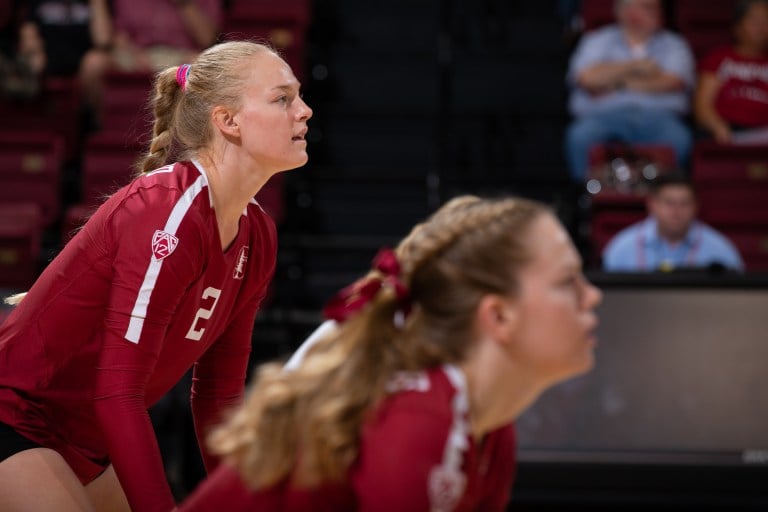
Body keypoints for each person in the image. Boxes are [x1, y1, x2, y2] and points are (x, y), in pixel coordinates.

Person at [0, 40, 312, 512]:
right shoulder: (167, 212)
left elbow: (217, 395)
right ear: (228, 121)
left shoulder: (258, 235)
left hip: (86, 436)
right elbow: (117, 392)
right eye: (282, 98)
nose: (304, 111)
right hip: (16, 416)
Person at [178, 194, 603, 511]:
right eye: (568, 282)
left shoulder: (490, 429)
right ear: (498, 316)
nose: (593, 297)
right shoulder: (417, 415)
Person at [565, 0, 695, 182]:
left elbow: (672, 82)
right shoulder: (597, 40)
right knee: (580, 136)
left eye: (652, 7)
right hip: (603, 115)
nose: (652, 12)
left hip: (658, 117)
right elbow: (587, 79)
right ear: (623, 11)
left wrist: (615, 82)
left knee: (679, 138)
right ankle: (584, 199)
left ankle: (665, 195)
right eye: (643, 6)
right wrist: (637, 67)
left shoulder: (674, 44)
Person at [79, 0, 221, 125]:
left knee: (201, 66)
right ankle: (99, 127)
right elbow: (116, 34)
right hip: (137, 52)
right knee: (93, 62)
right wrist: (133, 53)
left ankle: (193, 135)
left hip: (180, 55)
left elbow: (207, 39)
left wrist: (184, 4)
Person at [602, 174, 744, 272]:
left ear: (696, 206)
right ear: (652, 204)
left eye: (684, 203)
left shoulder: (721, 250)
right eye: (669, 203)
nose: (677, 211)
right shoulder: (621, 248)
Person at [694, 0, 768, 145]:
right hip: (725, 130)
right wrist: (717, 126)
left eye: (766, 21)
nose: (761, 27)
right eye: (754, 20)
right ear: (737, 26)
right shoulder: (719, 59)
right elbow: (702, 104)